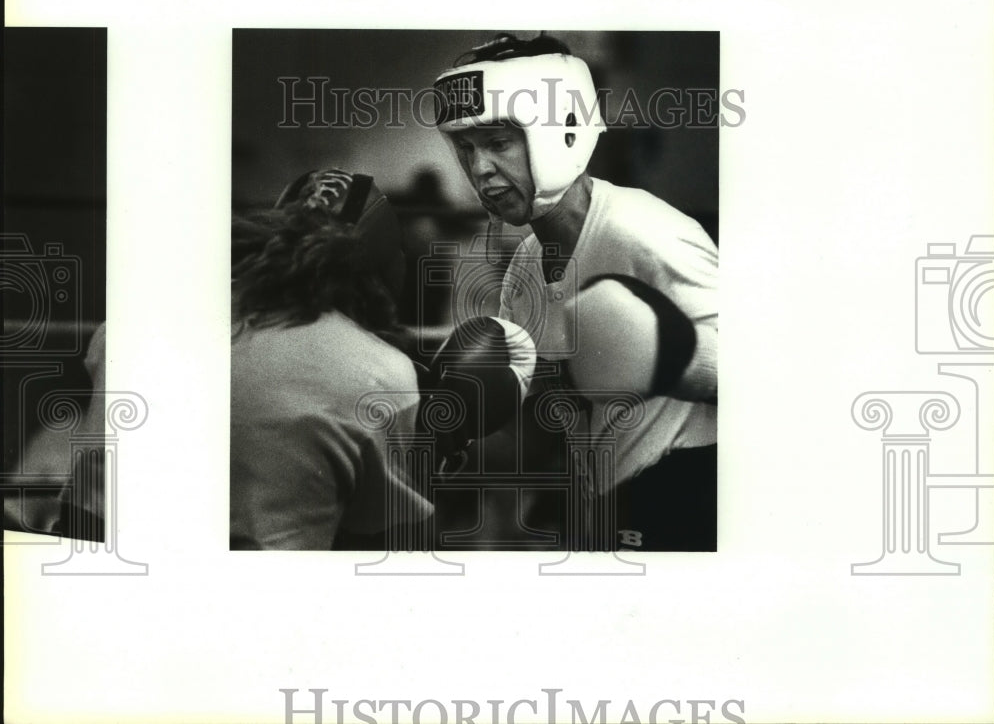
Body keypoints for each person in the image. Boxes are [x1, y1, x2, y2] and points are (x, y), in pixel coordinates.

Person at [433, 33, 718, 551]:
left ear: (560, 128)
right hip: (600, 497)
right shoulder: (524, 266)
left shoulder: (647, 234)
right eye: (466, 149)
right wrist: (439, 443)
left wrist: (673, 354)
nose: (479, 170)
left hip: (685, 492)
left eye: (498, 144)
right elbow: (540, 430)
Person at [230, 168, 433, 549]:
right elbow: (393, 544)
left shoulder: (142, 326)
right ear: (386, 272)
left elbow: (89, 511)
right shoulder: (377, 372)